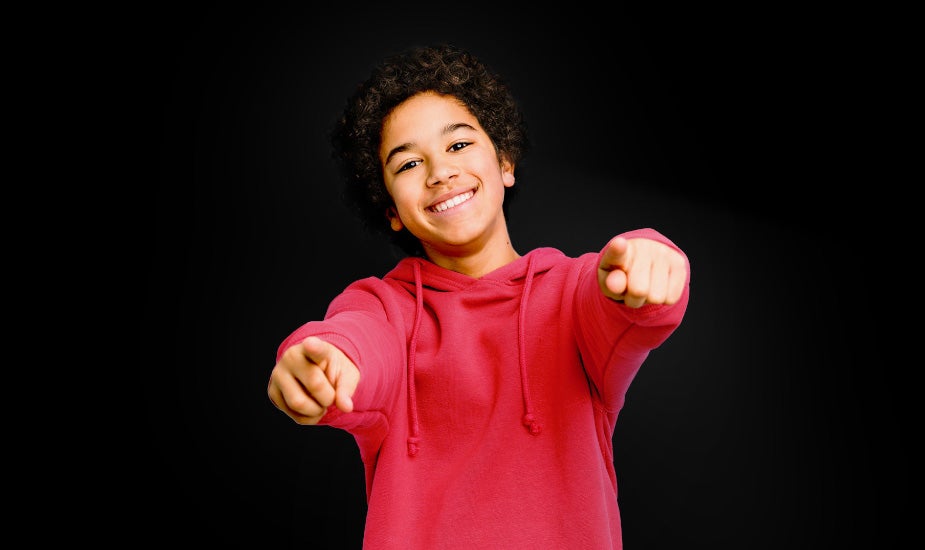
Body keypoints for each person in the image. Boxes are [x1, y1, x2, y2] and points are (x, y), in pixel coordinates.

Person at [267, 43, 690, 549]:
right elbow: (356, 341)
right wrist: (326, 364)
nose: (440, 173)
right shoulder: (383, 307)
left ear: (505, 161)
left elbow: (618, 297)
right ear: (391, 210)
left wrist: (650, 260)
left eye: (459, 145)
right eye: (408, 164)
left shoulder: (572, 292)